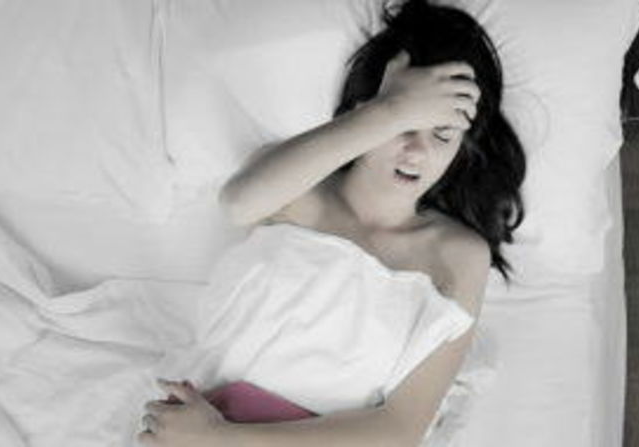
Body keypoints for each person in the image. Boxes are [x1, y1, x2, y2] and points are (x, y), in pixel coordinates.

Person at [138, 0, 525, 446]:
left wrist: (222, 438)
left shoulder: (457, 254)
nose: (417, 152)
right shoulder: (299, 190)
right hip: (202, 416)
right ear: (364, 111)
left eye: (442, 135)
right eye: (404, 126)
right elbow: (237, 203)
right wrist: (390, 109)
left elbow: (401, 428)